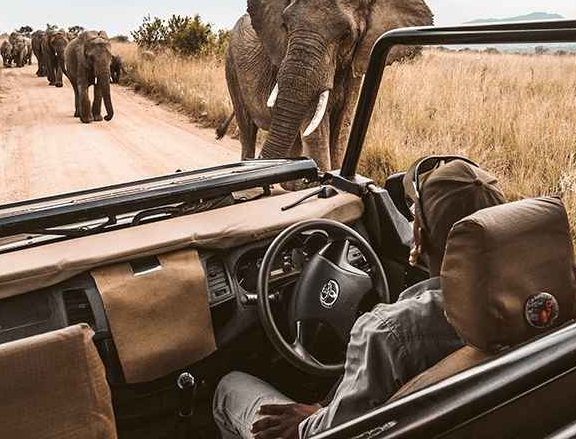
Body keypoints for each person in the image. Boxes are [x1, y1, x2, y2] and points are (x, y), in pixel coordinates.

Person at [213, 157, 506, 439]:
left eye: (415, 215)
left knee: (229, 387)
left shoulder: (389, 331)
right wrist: (322, 408)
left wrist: (304, 424)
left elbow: (332, 433)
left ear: (418, 237)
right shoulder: (522, 306)